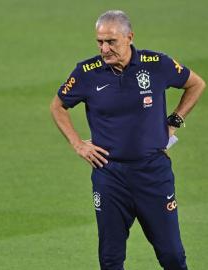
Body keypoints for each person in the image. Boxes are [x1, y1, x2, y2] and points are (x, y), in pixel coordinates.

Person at [50, 10, 205, 270]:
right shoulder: (87, 72)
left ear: (129, 37)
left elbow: (196, 84)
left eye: (111, 41)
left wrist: (174, 121)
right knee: (110, 260)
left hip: (153, 173)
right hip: (109, 176)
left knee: (173, 257)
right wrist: (78, 144)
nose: (104, 48)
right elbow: (57, 106)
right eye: (100, 42)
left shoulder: (157, 64)